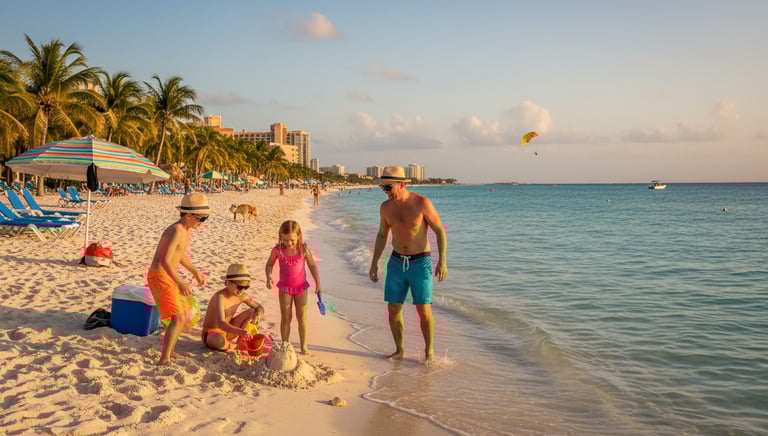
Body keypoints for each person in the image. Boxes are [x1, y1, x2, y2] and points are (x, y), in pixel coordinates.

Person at [368, 166, 447, 363]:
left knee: (423, 309)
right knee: (393, 308)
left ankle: (429, 351)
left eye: (388, 187)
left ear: (402, 184)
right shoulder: (385, 208)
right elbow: (381, 235)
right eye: (383, 188)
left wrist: (442, 261)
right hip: (395, 261)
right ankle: (399, 350)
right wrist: (374, 262)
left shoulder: (421, 203)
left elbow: (439, 231)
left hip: (420, 262)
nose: (386, 192)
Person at [148, 193, 210, 365]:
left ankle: (170, 352)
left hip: (167, 275)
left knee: (182, 315)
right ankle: (164, 358)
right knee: (178, 317)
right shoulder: (176, 230)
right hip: (160, 276)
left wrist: (195, 272)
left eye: (205, 218)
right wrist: (180, 282)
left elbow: (180, 254)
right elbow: (165, 260)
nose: (202, 222)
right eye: (201, 219)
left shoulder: (187, 229)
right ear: (188, 215)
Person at [265, 220, 322, 354]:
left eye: (292, 240)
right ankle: (285, 344)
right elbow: (269, 264)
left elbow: (312, 266)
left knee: (301, 316)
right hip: (285, 288)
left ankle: (303, 347)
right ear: (280, 236)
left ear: (299, 236)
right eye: (285, 240)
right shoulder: (278, 250)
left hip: (301, 288)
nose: (288, 243)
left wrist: (318, 283)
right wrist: (268, 276)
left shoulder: (303, 249)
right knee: (286, 317)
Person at [201, 264, 265, 351]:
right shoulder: (220, 297)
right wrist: (240, 331)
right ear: (228, 283)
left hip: (228, 332)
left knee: (252, 312)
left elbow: (259, 307)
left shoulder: (242, 295)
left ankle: (240, 342)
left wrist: (258, 316)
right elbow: (221, 323)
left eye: (245, 287)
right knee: (217, 340)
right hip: (213, 332)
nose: (242, 290)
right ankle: (236, 347)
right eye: (239, 287)